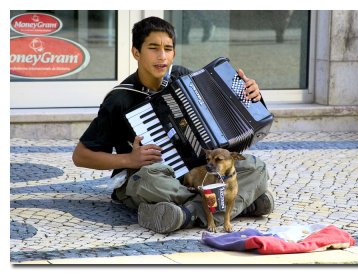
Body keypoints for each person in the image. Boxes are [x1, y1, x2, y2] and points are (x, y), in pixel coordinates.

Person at [72, 16, 274, 234]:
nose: (162, 56)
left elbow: (221, 116)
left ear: (174, 53)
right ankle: (239, 203)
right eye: (153, 48)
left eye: (168, 49)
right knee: (149, 181)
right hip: (152, 174)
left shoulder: (182, 77)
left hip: (196, 172)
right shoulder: (120, 100)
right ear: (136, 52)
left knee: (256, 168)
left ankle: (186, 215)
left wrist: (247, 97)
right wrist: (129, 159)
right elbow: (80, 155)